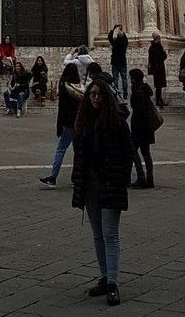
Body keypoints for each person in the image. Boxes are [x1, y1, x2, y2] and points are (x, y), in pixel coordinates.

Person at [71, 78, 132, 306]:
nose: (95, 97)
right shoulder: (83, 122)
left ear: (106, 96)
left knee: (110, 234)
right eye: (92, 94)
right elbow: (78, 153)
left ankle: (113, 283)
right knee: (98, 235)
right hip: (90, 187)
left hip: (110, 184)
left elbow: (128, 153)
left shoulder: (117, 122)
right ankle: (105, 277)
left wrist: (122, 179)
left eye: (99, 94)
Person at [39, 62, 83, 187]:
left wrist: (59, 125)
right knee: (78, 151)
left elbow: (62, 108)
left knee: (60, 149)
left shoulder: (65, 87)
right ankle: (77, 178)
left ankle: (53, 177)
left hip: (68, 123)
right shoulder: (80, 87)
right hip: (79, 123)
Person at [128, 68, 157, 189]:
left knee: (133, 151)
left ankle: (141, 177)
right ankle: (149, 178)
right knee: (146, 153)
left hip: (140, 126)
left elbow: (138, 110)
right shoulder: (145, 89)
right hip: (148, 125)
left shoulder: (137, 91)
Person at [147, 31, 167, 108]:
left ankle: (159, 99)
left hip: (159, 67)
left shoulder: (157, 46)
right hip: (157, 68)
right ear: (156, 39)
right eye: (159, 38)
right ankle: (158, 100)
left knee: (160, 85)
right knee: (158, 85)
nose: (160, 40)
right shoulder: (154, 47)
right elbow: (155, 58)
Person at [108, 23, 129, 99]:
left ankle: (116, 93)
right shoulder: (123, 39)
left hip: (115, 61)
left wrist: (113, 32)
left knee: (115, 78)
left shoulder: (114, 40)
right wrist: (122, 35)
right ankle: (125, 93)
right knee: (124, 78)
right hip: (122, 61)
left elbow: (110, 38)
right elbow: (126, 43)